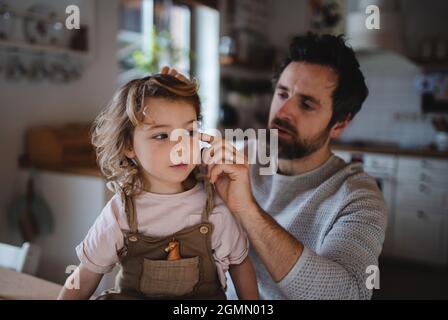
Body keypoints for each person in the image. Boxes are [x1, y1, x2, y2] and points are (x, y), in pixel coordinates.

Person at [173, 32, 387, 300]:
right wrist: (176, 115)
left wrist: (248, 210)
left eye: (306, 104)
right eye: (282, 93)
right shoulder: (246, 153)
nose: (283, 112)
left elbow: (347, 294)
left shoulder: (357, 197)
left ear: (340, 124)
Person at [57, 74, 259, 300]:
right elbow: (84, 277)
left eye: (189, 132)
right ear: (128, 145)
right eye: (162, 135)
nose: (180, 146)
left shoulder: (214, 206)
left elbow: (240, 265)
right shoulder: (121, 212)